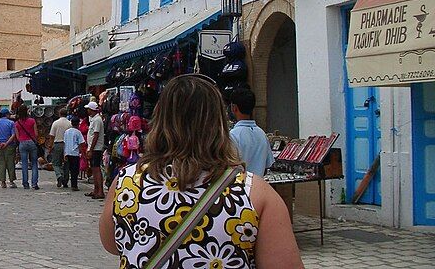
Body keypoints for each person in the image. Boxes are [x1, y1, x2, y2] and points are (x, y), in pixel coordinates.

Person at [99, 74, 304, 269]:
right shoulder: (255, 194)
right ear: (219, 123)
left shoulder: (126, 183)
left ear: (159, 120)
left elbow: (112, 244)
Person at [229, 87, 274, 176]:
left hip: (240, 186)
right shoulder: (262, 134)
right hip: (258, 185)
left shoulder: (233, 135)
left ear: (234, 108)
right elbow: (267, 165)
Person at [0, 108, 17, 188]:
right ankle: (11, 181)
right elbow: (13, 135)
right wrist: (6, 143)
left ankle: (3, 182)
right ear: (7, 115)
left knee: (0, 164)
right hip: (9, 146)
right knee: (10, 163)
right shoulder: (11, 123)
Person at [14, 105, 39, 190]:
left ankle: (25, 183)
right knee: (34, 163)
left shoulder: (17, 123)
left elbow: (17, 137)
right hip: (32, 142)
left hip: (22, 143)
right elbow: (36, 134)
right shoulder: (32, 121)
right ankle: (34, 183)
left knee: (24, 164)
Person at [85, 101, 105, 199]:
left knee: (96, 169)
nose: (87, 110)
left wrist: (91, 149)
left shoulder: (97, 120)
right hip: (93, 148)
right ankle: (96, 190)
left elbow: (96, 135)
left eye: (88, 109)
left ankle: (100, 191)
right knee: (94, 169)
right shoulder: (94, 119)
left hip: (96, 148)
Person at [48, 108, 71, 188]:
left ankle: (59, 175)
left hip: (57, 144)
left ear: (59, 114)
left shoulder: (55, 123)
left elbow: (52, 136)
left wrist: (50, 146)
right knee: (67, 163)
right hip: (67, 145)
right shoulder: (69, 123)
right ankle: (65, 181)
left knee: (55, 163)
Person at [63, 116, 84, 191]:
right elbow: (81, 143)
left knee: (67, 169)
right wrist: (83, 153)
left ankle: (65, 182)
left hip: (68, 153)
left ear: (71, 123)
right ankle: (74, 185)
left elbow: (64, 143)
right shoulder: (78, 132)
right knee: (75, 170)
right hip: (75, 153)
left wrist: (64, 153)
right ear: (78, 124)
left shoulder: (67, 132)